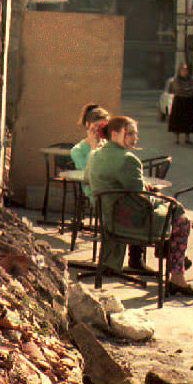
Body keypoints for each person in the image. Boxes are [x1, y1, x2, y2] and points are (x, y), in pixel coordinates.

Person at [86, 116, 193, 296]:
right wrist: (160, 199)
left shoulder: (94, 154)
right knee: (181, 219)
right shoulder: (129, 159)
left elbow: (88, 180)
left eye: (135, 134)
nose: (134, 138)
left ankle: (170, 258)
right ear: (114, 134)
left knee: (170, 213)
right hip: (127, 222)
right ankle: (177, 276)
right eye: (129, 134)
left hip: (106, 216)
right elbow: (141, 199)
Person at [72, 104, 148, 271]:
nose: (101, 131)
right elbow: (89, 175)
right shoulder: (81, 150)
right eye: (97, 127)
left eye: (105, 126)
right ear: (88, 126)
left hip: (112, 195)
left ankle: (135, 257)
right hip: (95, 194)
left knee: (133, 200)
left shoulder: (114, 150)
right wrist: (94, 147)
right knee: (138, 205)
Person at [168, 63, 193, 144]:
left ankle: (187, 138)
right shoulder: (176, 80)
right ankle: (177, 138)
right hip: (179, 101)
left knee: (188, 119)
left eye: (186, 70)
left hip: (188, 101)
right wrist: (186, 89)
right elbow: (177, 89)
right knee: (177, 119)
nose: (185, 72)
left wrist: (187, 90)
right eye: (183, 70)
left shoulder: (191, 80)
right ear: (180, 71)